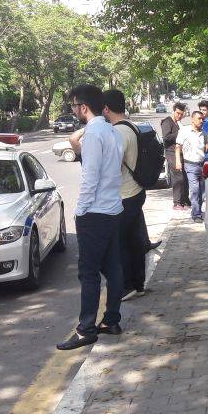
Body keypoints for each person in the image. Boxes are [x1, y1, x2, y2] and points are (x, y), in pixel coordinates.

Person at [57, 84, 124, 351]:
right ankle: (111, 321)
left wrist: (80, 210)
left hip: (95, 213)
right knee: (113, 268)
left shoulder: (95, 132)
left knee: (89, 273)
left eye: (74, 106)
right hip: (112, 209)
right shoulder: (110, 130)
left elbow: (90, 176)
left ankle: (86, 329)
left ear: (83, 107)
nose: (73, 110)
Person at [103, 89, 151, 302]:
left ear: (106, 108)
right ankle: (139, 284)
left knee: (121, 242)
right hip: (137, 190)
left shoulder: (117, 132)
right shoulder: (131, 125)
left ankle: (128, 285)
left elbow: (113, 166)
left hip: (124, 194)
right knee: (135, 239)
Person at [176, 110, 207, 223]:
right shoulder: (184, 131)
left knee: (202, 191)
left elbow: (207, 146)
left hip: (202, 164)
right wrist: (178, 161)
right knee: (194, 189)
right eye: (199, 119)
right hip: (190, 165)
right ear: (193, 119)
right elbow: (178, 147)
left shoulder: (203, 133)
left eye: (202, 119)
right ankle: (196, 214)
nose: (201, 121)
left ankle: (197, 210)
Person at [160, 102, 189, 210]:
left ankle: (184, 201)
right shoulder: (167, 121)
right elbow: (166, 138)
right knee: (178, 177)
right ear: (173, 111)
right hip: (171, 153)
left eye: (182, 114)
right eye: (178, 113)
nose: (179, 116)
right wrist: (181, 133)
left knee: (184, 177)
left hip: (180, 153)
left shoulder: (178, 123)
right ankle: (177, 203)